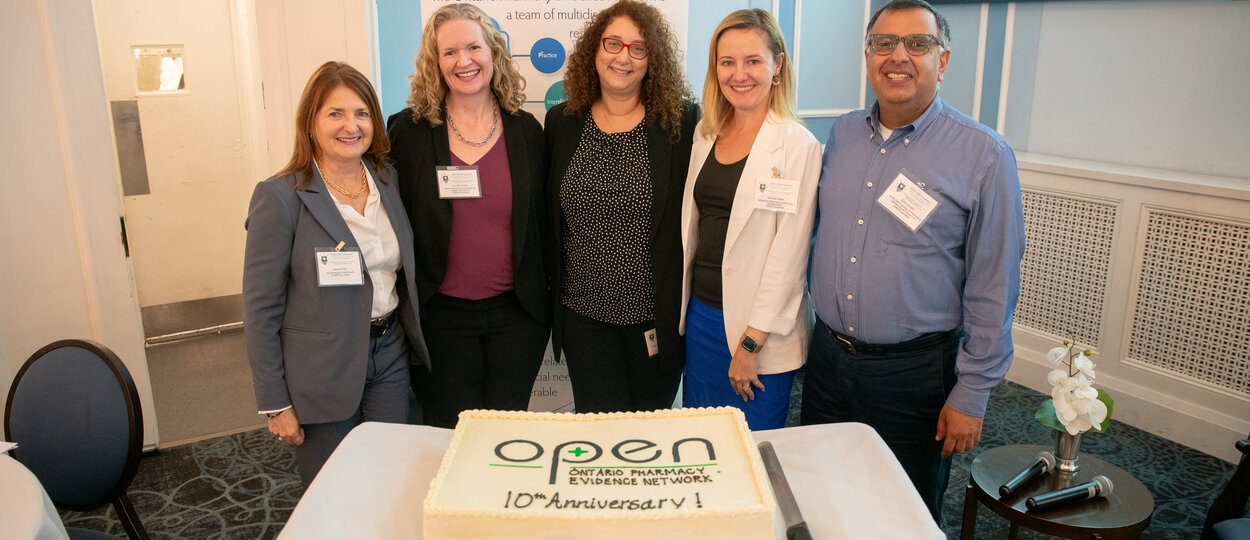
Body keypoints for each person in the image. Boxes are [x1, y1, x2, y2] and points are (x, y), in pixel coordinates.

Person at [801, 0, 1025, 521]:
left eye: (917, 44)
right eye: (884, 43)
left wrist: (972, 392)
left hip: (914, 375)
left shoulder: (984, 155)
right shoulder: (842, 134)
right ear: (867, 56)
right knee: (821, 491)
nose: (898, 56)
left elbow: (994, 284)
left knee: (901, 511)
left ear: (942, 61)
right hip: (828, 360)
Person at [242, 61, 430, 488]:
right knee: (335, 492)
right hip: (320, 371)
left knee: (388, 481)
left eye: (362, 113)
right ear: (311, 122)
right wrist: (274, 403)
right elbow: (260, 309)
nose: (351, 125)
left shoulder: (386, 180)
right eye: (335, 113)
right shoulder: (281, 197)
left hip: (389, 356)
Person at [387, 3, 549, 429]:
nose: (464, 61)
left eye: (474, 47)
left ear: (493, 52)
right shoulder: (409, 132)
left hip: (517, 318)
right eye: (449, 52)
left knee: (506, 434)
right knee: (447, 435)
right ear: (434, 63)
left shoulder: (526, 131)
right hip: (440, 319)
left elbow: (545, 226)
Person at [545, 0, 699, 413]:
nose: (623, 57)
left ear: (653, 60)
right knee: (598, 434)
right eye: (613, 44)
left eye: (638, 48)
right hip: (583, 317)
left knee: (648, 438)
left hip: (655, 318)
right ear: (595, 50)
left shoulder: (680, 124)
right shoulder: (562, 122)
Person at [678, 9, 820, 431]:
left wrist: (751, 342)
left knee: (754, 450)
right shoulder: (706, 133)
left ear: (777, 65)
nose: (739, 74)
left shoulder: (798, 146)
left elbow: (790, 258)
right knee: (701, 442)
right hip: (703, 316)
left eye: (753, 61)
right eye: (727, 62)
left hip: (760, 332)